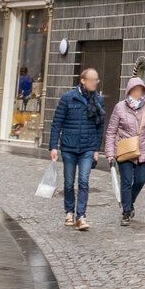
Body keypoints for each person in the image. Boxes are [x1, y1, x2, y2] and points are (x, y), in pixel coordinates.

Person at [47, 68, 108, 230]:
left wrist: (96, 149)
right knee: (68, 183)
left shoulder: (98, 100)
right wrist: (53, 146)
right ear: (83, 80)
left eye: (96, 80)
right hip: (69, 147)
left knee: (83, 181)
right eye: (92, 80)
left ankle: (81, 216)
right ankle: (69, 212)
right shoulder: (68, 98)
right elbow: (57, 123)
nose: (94, 83)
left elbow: (100, 127)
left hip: (88, 148)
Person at [106, 76, 145, 224]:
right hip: (125, 150)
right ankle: (126, 212)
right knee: (126, 181)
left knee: (140, 180)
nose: (137, 93)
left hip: (144, 150)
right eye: (134, 90)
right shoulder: (120, 107)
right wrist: (110, 153)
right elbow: (111, 131)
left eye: (140, 90)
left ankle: (129, 202)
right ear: (129, 91)